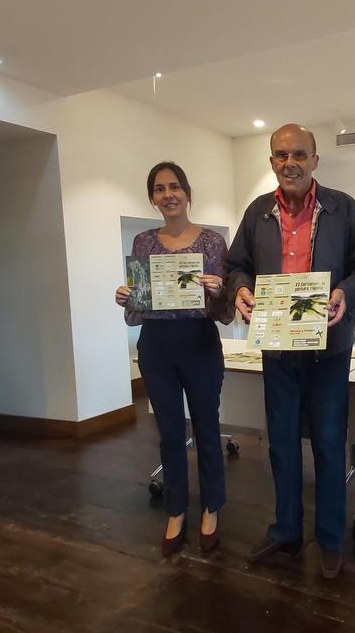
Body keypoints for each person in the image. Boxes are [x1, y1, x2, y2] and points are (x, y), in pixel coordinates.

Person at [225, 123, 355, 579]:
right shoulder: (256, 213)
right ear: (272, 161)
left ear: (315, 159)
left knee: (329, 444)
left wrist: (347, 292)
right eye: (280, 155)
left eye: (299, 155)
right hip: (277, 350)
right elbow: (236, 267)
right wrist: (240, 292)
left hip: (329, 349)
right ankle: (286, 530)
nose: (290, 163)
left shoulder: (343, 208)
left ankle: (329, 536)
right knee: (282, 443)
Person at [115, 161, 233, 558]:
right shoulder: (143, 242)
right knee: (168, 432)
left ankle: (212, 507)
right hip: (157, 345)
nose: (169, 195)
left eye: (175, 187)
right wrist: (127, 297)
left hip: (199, 342)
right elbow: (138, 309)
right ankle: (176, 510)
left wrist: (219, 292)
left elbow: (225, 311)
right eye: (160, 189)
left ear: (188, 192)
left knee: (207, 429)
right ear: (152, 197)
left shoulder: (214, 243)